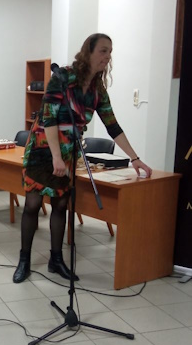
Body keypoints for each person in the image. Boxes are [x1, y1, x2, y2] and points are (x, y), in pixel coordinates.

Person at [13, 33, 152, 283]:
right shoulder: (62, 78)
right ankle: (24, 260)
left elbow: (112, 126)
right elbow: (49, 118)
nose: (107, 56)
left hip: (68, 152)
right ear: (88, 52)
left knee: (60, 205)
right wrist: (55, 157)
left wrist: (135, 158)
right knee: (33, 204)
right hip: (43, 147)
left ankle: (56, 260)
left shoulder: (98, 91)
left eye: (110, 52)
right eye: (103, 51)